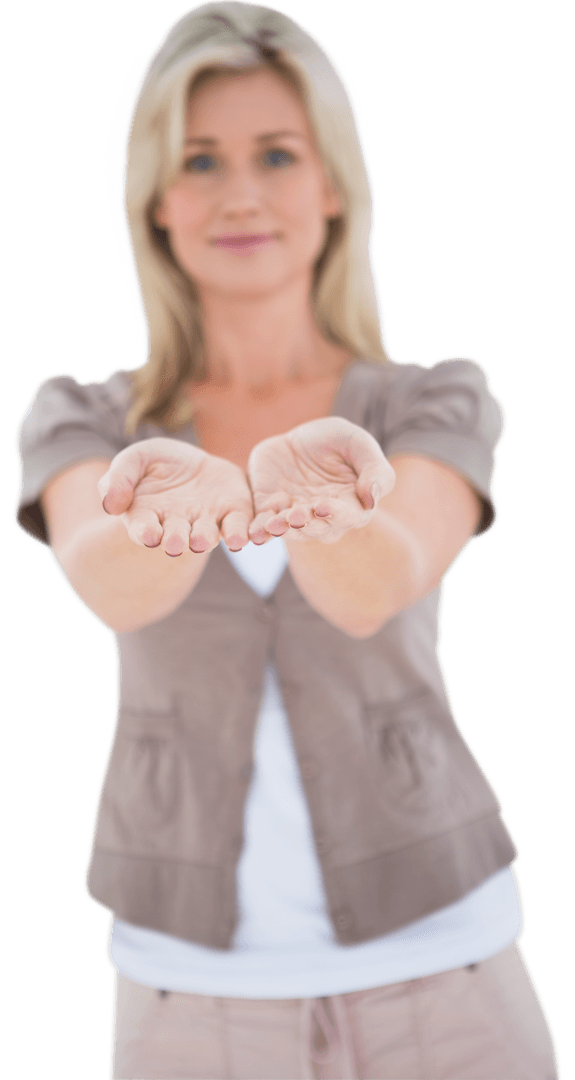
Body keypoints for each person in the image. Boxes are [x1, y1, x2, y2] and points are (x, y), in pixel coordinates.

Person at [13, 2, 562, 1078]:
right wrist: (170, 513)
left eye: (276, 153)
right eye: (200, 160)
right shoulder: (79, 414)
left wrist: (333, 510)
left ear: (331, 187)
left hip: (445, 966)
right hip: (188, 993)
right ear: (156, 200)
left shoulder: (432, 399)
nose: (242, 193)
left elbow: (384, 577)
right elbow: (104, 578)